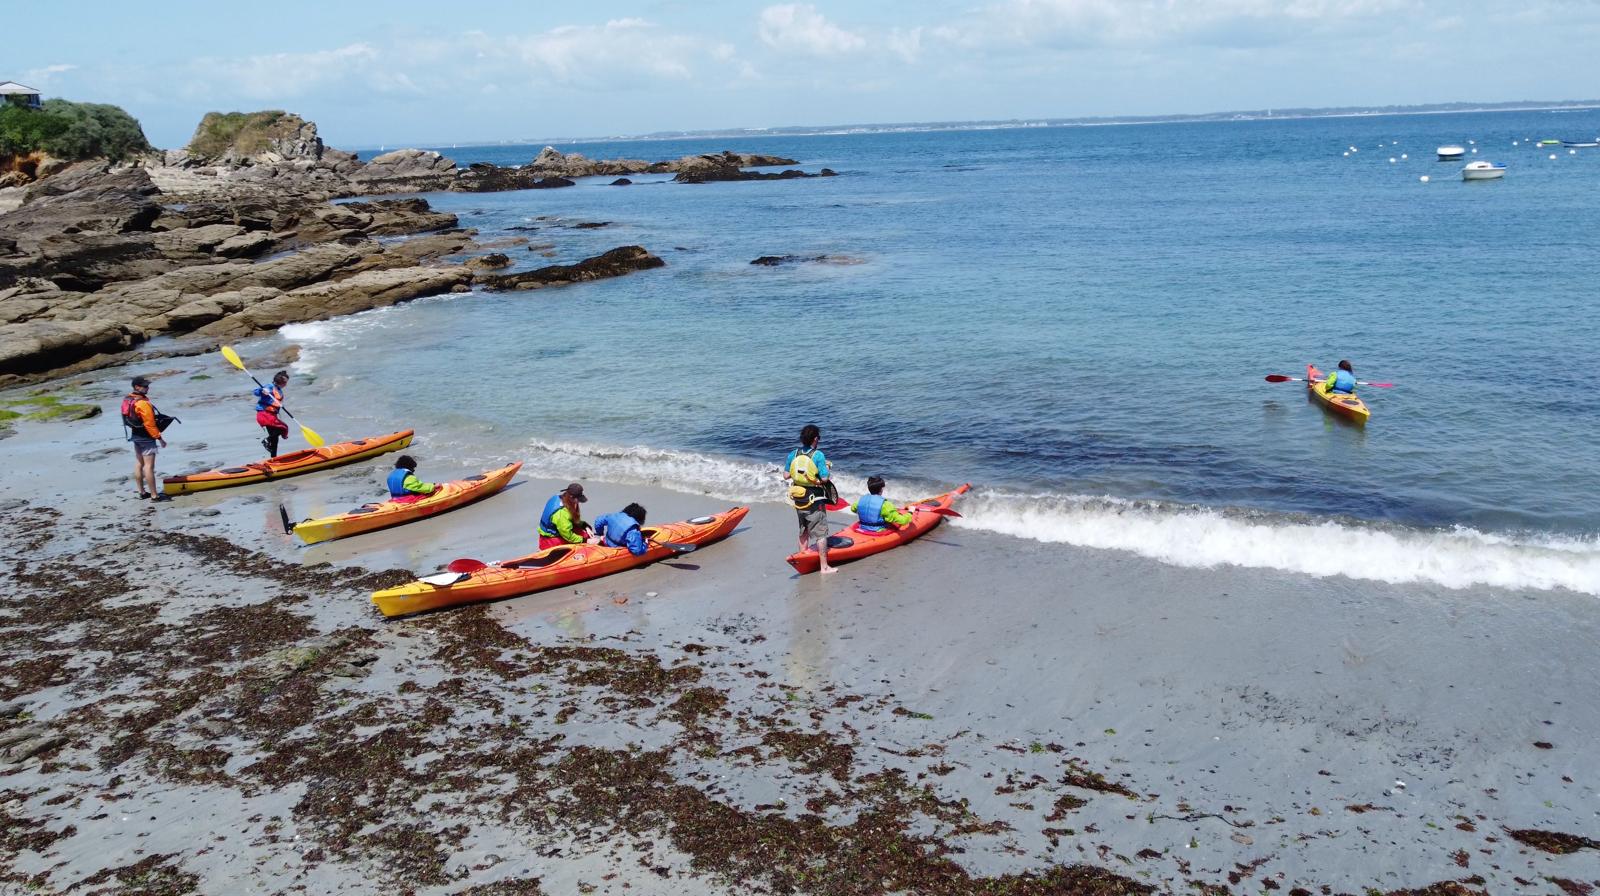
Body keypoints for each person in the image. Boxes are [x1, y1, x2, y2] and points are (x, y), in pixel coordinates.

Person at [783, 423, 836, 574]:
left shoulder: (793, 454)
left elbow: (786, 475)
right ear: (815, 439)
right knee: (820, 533)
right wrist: (826, 468)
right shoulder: (818, 455)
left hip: (798, 497)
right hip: (814, 499)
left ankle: (803, 557)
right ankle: (824, 567)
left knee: (803, 529)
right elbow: (824, 479)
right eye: (818, 437)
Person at [120, 375, 168, 502]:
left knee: (139, 464)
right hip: (146, 437)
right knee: (148, 466)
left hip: (135, 435)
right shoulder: (142, 403)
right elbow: (149, 424)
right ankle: (154, 495)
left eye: (148, 386)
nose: (148, 388)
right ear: (137, 387)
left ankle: (142, 492)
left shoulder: (129, 399)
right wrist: (159, 438)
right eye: (145, 386)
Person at [850, 476, 915, 534]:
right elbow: (902, 521)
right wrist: (911, 512)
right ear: (881, 489)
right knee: (893, 521)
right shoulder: (885, 505)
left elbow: (853, 509)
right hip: (878, 531)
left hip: (863, 527)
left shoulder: (860, 501)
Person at [538, 482, 592, 549]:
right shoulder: (561, 513)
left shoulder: (559, 497)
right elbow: (567, 535)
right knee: (584, 543)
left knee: (586, 534)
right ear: (571, 497)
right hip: (550, 540)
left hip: (558, 530)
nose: (578, 502)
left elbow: (570, 519)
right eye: (578, 499)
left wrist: (585, 526)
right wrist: (586, 541)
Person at [254, 370, 291, 457]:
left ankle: (273, 458)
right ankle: (266, 440)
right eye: (285, 382)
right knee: (282, 428)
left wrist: (280, 405)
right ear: (281, 381)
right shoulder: (269, 386)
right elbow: (255, 392)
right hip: (265, 414)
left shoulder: (278, 389)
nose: (286, 384)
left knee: (274, 438)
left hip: (271, 415)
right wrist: (262, 391)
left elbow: (274, 400)